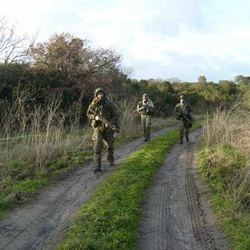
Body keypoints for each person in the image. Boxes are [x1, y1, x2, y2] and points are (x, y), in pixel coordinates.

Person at [87, 87, 120, 172]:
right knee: (97, 145)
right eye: (98, 94)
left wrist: (109, 122)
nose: (100, 95)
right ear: (96, 95)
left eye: (101, 94)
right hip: (98, 128)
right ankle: (97, 165)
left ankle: (110, 159)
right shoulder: (93, 104)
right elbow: (88, 114)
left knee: (110, 145)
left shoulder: (109, 103)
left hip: (108, 128)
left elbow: (116, 115)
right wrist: (95, 117)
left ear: (104, 94)